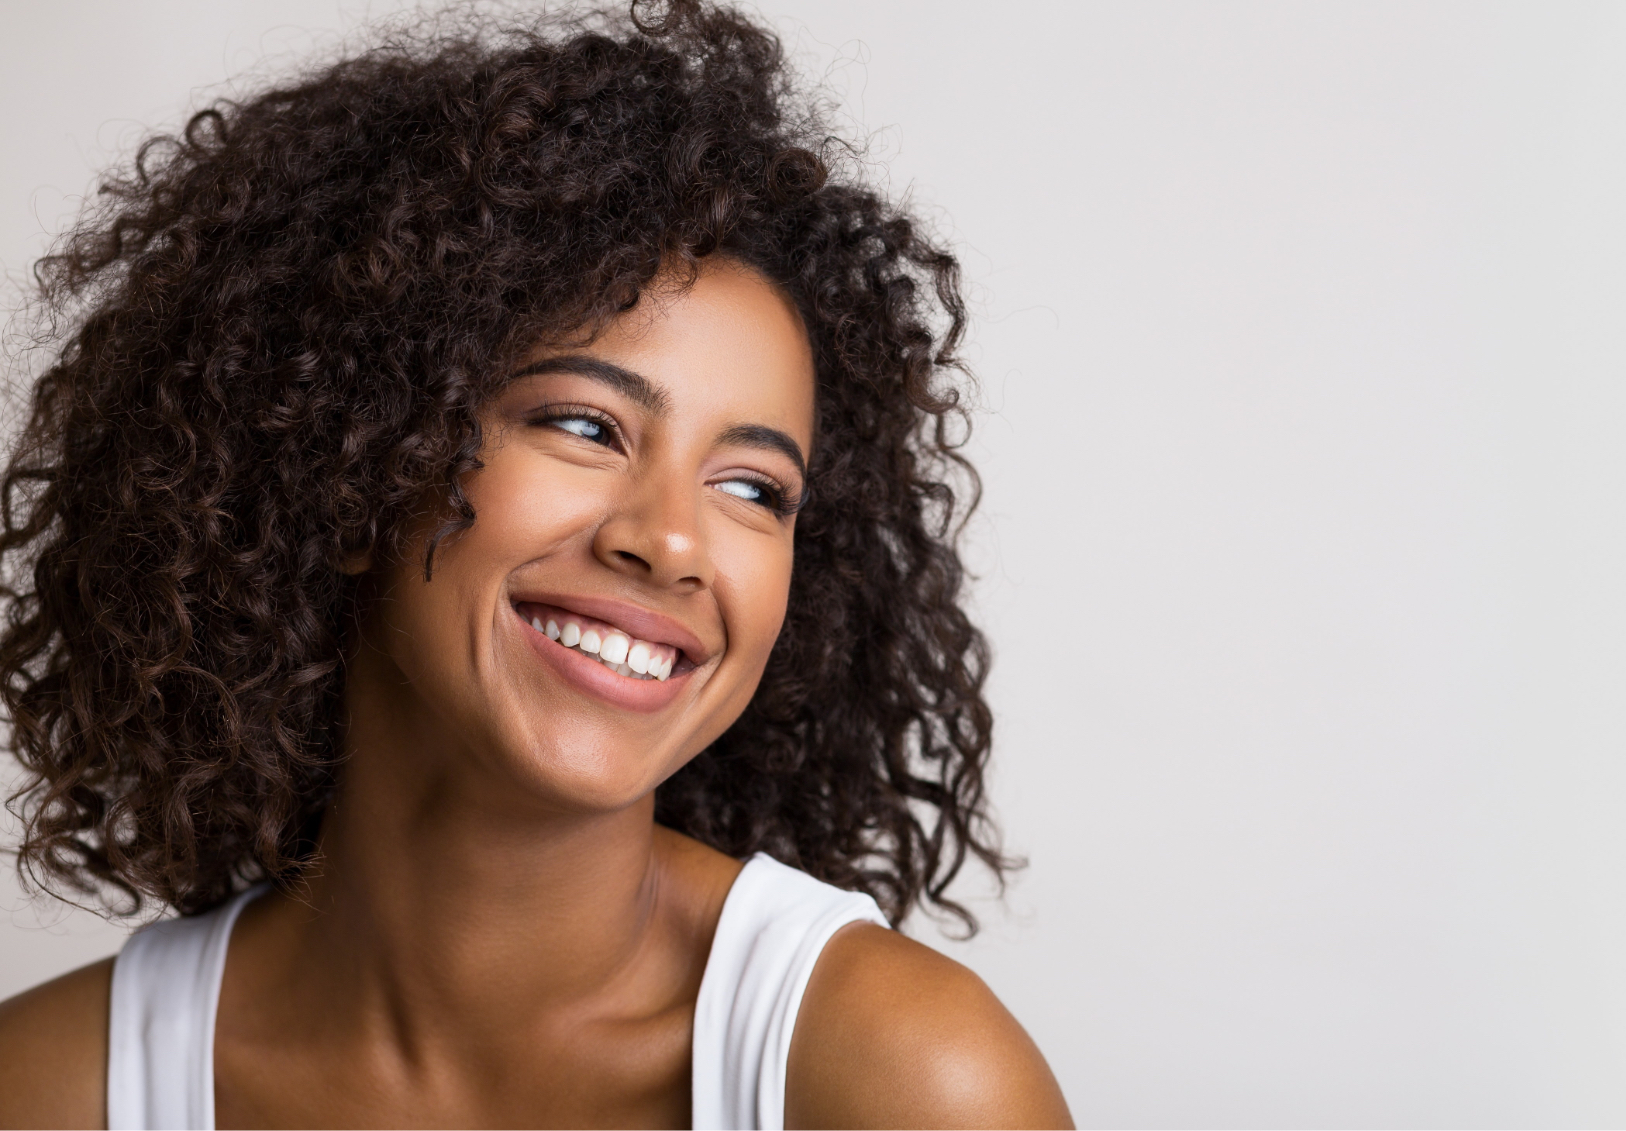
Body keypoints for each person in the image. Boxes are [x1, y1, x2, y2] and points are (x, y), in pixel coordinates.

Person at [0, 2, 1070, 1126]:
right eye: (585, 426)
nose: (668, 540)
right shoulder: (53, 1089)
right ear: (352, 463)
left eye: (753, 490)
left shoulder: (899, 1078)